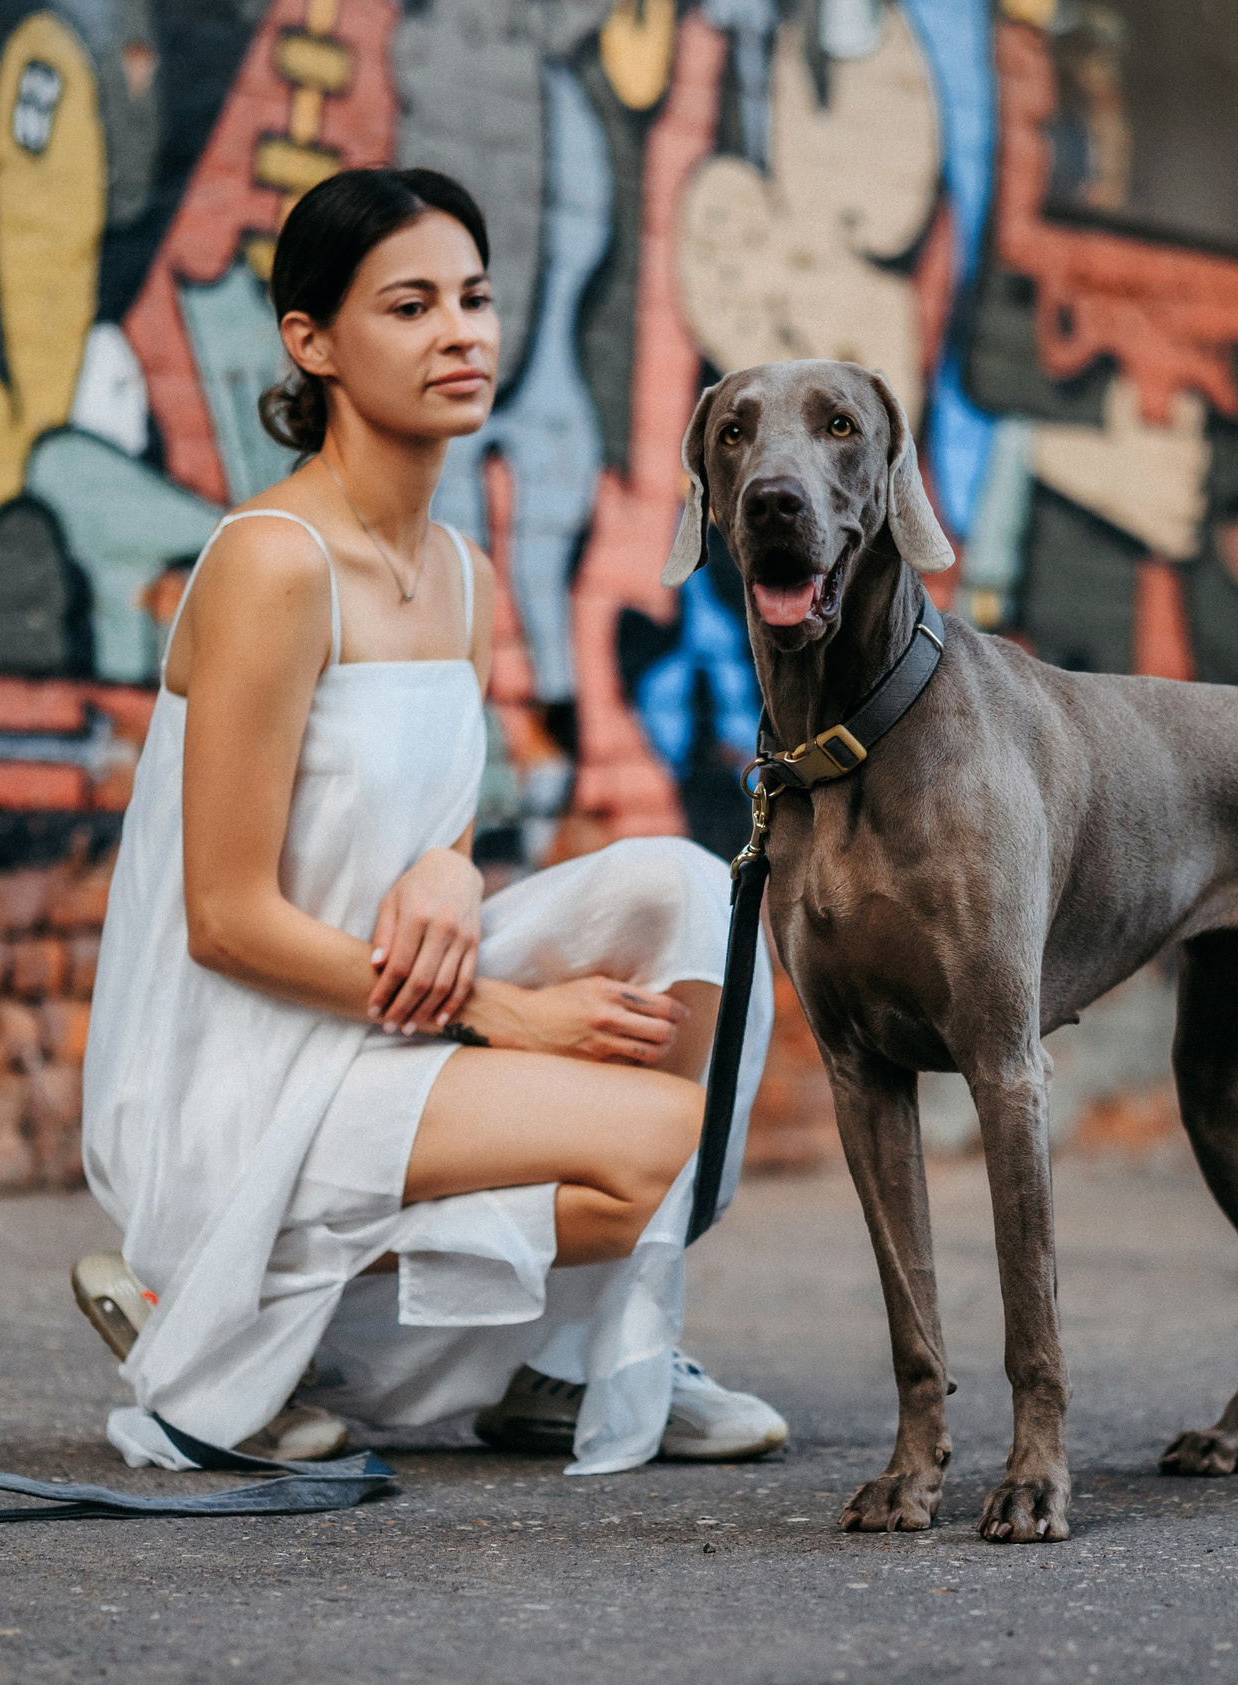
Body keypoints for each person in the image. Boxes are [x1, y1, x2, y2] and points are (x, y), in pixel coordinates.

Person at [74, 167, 784, 1476]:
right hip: (252, 1063)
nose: (462, 332)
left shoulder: (456, 571)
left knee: (697, 903)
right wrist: (500, 1015)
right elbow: (225, 922)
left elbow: (425, 829)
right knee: (653, 1147)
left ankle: (564, 1364)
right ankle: (211, 1284)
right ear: (313, 342)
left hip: (381, 1008)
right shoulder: (273, 564)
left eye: (474, 297)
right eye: (409, 306)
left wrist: (453, 881)